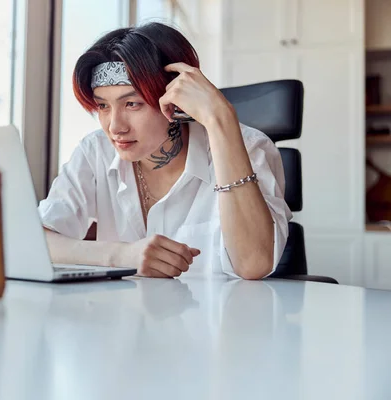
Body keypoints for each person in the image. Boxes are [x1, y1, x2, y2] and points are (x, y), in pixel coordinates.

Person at [38, 22, 291, 280]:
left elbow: (254, 264)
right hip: (123, 317)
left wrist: (220, 117)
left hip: (220, 317)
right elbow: (34, 242)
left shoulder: (249, 147)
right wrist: (123, 256)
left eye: (132, 104)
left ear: (175, 97)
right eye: (103, 106)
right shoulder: (95, 152)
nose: (115, 127)